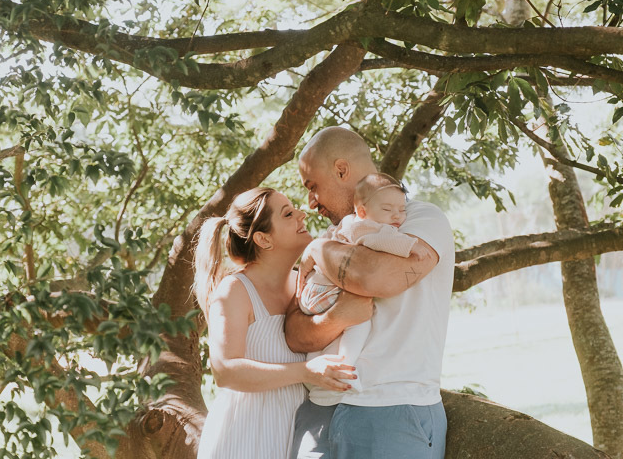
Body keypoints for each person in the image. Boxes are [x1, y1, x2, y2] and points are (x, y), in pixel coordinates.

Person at [285, 127, 455, 459]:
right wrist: (337, 318)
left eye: (312, 186)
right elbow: (293, 332)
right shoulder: (335, 237)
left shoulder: (420, 219)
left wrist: (318, 249)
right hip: (318, 412)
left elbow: (377, 278)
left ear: (341, 170)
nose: (310, 202)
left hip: (392, 413)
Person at [193, 187, 372, 459]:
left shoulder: (307, 284)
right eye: (288, 214)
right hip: (244, 437)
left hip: (298, 435)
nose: (302, 214)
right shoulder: (235, 290)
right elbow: (225, 371)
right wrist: (306, 371)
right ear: (263, 239)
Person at [298, 172, 416, 392]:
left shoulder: (347, 224)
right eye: (387, 210)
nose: (397, 216)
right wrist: (412, 246)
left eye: (402, 210)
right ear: (362, 211)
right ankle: (346, 368)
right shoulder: (366, 227)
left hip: (311, 293)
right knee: (359, 323)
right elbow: (388, 242)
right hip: (326, 292)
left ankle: (313, 365)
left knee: (329, 332)